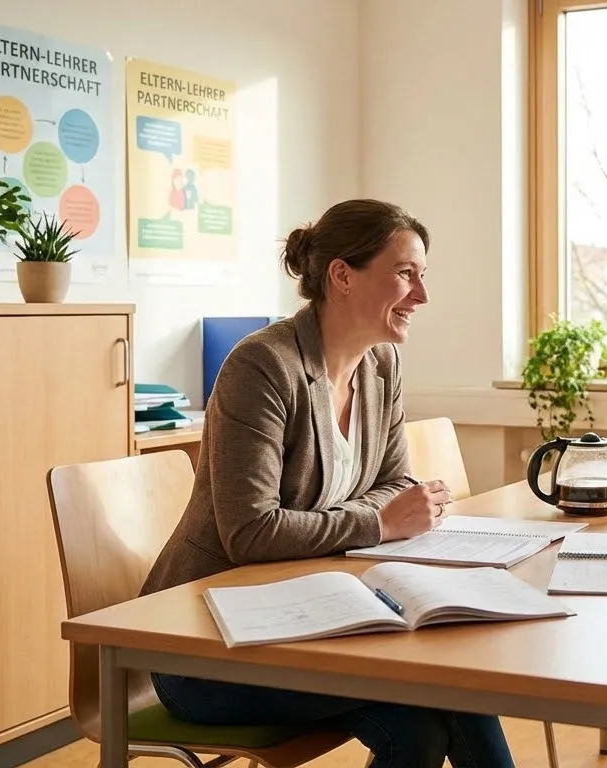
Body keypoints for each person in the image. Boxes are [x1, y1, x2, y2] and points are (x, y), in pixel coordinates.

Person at [140, 199, 516, 768]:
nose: (422, 295)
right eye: (405, 274)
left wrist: (376, 513)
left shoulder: (380, 365)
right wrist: (378, 522)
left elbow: (395, 481)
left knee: (425, 713)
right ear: (342, 276)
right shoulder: (262, 367)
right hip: (208, 645)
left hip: (310, 617)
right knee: (443, 684)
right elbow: (250, 531)